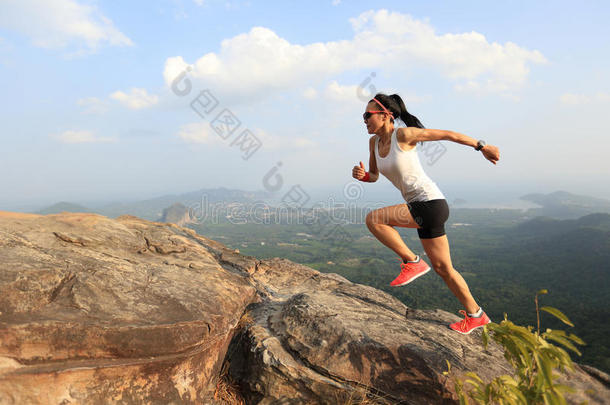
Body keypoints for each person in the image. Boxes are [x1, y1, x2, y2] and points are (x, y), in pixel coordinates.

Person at [352, 93, 500, 334]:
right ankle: (477, 315)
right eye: (363, 116)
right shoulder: (374, 144)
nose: (364, 120)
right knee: (444, 269)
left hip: (429, 204)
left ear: (385, 115)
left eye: (367, 115)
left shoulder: (404, 135)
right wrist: (364, 176)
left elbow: (449, 135)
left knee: (374, 219)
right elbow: (374, 175)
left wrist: (482, 147)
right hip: (424, 207)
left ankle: (412, 262)